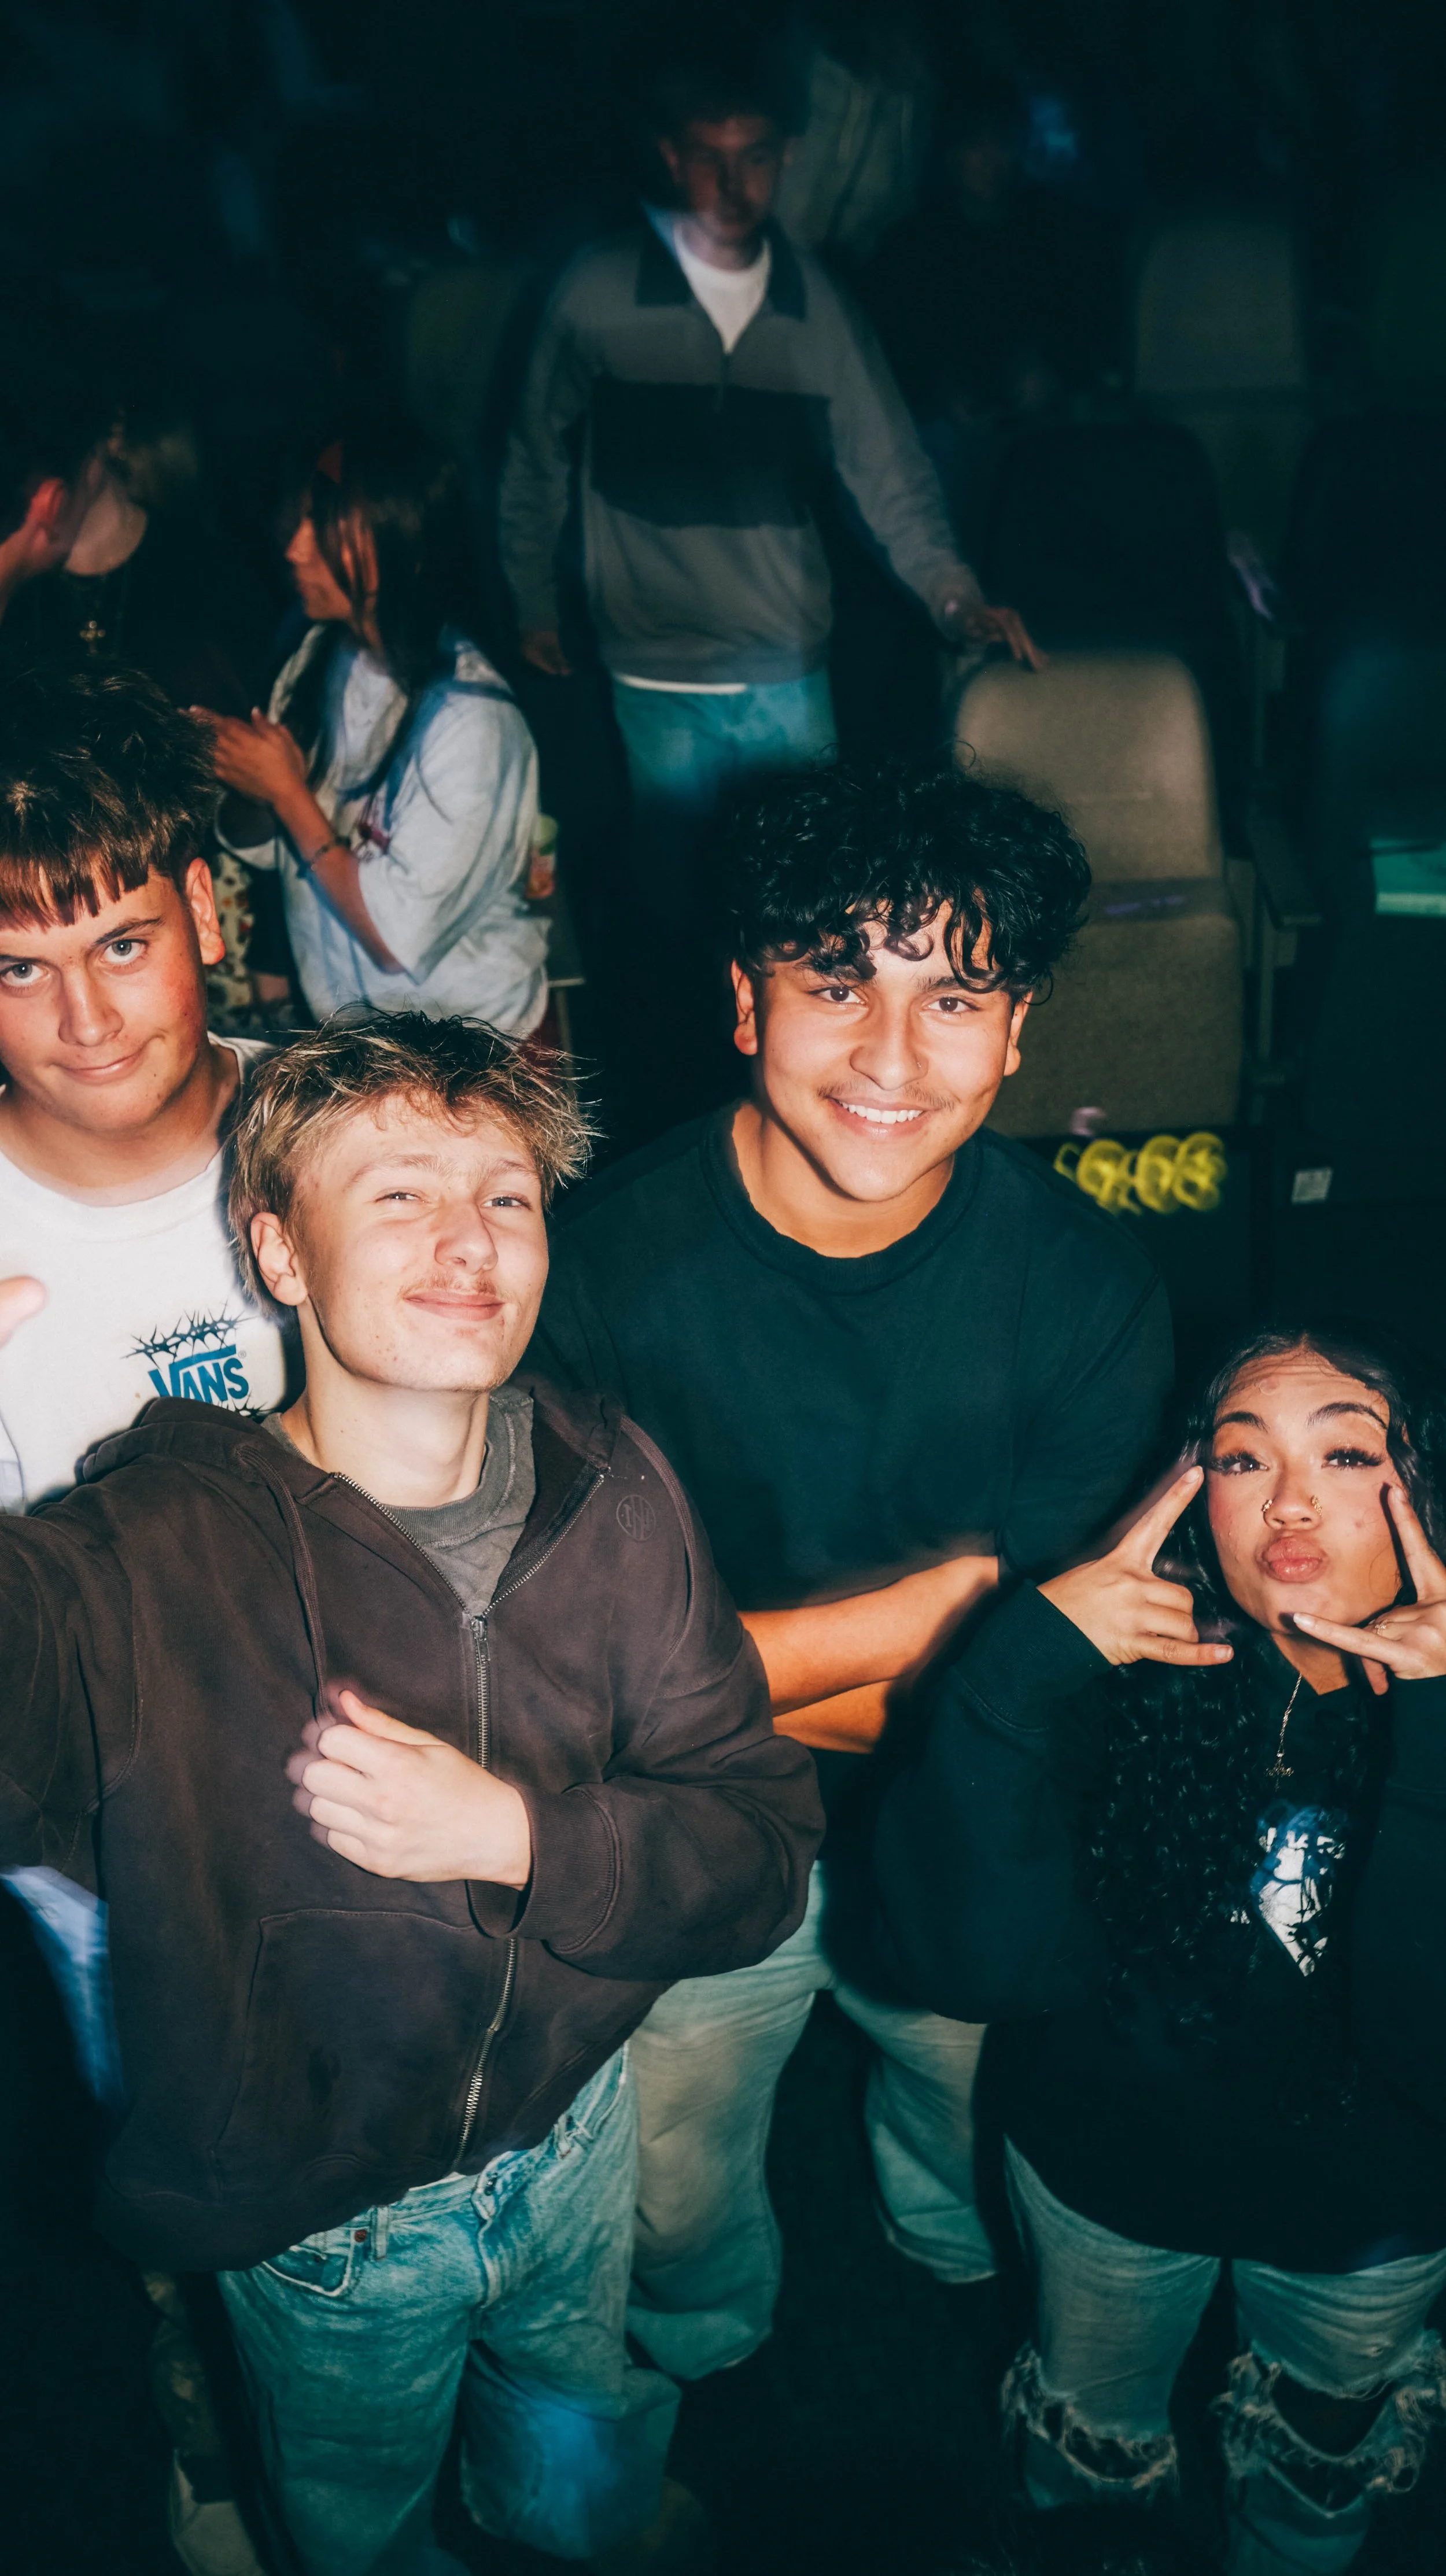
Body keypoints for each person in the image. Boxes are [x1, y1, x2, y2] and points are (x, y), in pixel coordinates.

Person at [0, 1010, 823, 2576]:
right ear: (280, 1253)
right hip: (323, 2228)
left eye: (505, 1194)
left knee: (576, 2451)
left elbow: (762, 1836)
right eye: (395, 1193)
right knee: (356, 2523)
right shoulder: (144, 1549)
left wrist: (519, 1833)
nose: (467, 1241)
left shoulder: (616, 1486)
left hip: (572, 2134)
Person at [528, 758, 1173, 2384]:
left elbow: (1045, 1669)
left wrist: (735, 1658)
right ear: (745, 1002)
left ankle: (940, 2260)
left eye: (954, 997)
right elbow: (557, 1664)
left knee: (963, 2118)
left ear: (1018, 1028)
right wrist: (921, 1616)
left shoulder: (1089, 1291)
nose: (892, 1056)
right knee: (676, 2169)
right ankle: (702, 2347)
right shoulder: (598, 1269)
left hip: (962, 1815)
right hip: (687, 1818)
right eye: (837, 985)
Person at [876, 1325, 1446, 2573]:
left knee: (1314, 2478)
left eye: (1345, 1453)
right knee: (1086, 2458)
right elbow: (965, 1968)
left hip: (1369, 2216)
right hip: (1108, 2186)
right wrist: (1006, 1680)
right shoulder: (1117, 1678)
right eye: (1239, 1460)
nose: (1287, 1499)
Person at [499, 50, 1041, 1112]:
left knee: (814, 936)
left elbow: (891, 469)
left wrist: (953, 594)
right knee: (677, 932)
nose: (734, 181)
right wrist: (527, 597)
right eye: (711, 158)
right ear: (672, 157)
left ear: (786, 160)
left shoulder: (816, 305)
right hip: (656, 673)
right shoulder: (598, 292)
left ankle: (802, 1128)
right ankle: (694, 1123)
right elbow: (532, 456)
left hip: (788, 669)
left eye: (754, 158)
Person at [0, 659, 294, 2574]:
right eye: (18, 964)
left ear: (208, 912)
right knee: (138, 2160)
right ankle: (186, 2371)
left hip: (368, 1790)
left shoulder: (343, 1129)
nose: (85, 1009)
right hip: (89, 1841)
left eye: (120, 936)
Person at [201, 421, 549, 1035]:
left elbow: (395, 938)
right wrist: (248, 776)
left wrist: (287, 791)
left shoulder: (472, 720)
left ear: (404, 543)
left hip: (469, 1052)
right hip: (354, 1036)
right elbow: (267, 846)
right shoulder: (316, 654)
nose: (295, 549)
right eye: (299, 521)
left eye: (325, 527)